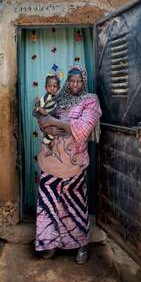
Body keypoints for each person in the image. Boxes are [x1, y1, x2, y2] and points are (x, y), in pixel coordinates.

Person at [35, 66, 102, 264]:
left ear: (84, 82)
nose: (74, 85)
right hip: (52, 159)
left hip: (74, 162)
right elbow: (42, 120)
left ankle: (81, 244)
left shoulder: (91, 100)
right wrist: (46, 122)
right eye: (71, 81)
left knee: (75, 201)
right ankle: (49, 243)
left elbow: (83, 127)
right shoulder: (59, 98)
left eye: (79, 81)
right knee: (48, 200)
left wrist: (56, 123)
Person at [33, 75, 60, 147]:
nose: (52, 88)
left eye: (55, 86)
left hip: (56, 121)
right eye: (49, 86)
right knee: (49, 138)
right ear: (45, 87)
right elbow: (39, 110)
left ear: (58, 88)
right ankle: (46, 145)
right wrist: (38, 107)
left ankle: (49, 147)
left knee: (55, 139)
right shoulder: (44, 98)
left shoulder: (59, 98)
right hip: (47, 121)